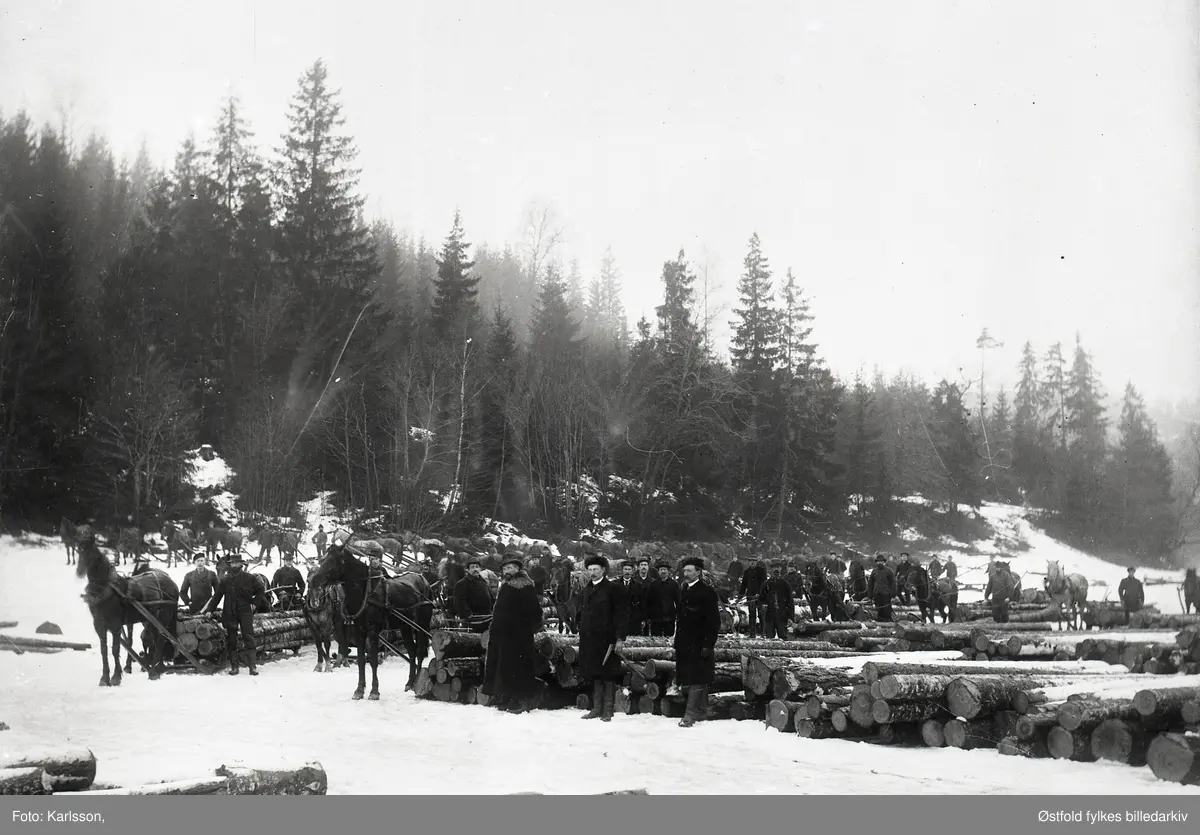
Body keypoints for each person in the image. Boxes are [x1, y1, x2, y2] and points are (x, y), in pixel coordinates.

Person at [481, 554, 544, 713]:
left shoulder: (524, 585)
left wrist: (528, 628)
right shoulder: (507, 584)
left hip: (518, 634)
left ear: (518, 569)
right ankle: (507, 697)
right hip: (502, 633)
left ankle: (521, 700)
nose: (508, 570)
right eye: (506, 568)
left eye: (512, 567)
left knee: (519, 666)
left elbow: (534, 610)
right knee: (505, 665)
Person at [577, 555, 629, 722]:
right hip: (590, 640)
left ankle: (607, 710)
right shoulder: (586, 590)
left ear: (603, 571)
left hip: (608, 640)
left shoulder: (613, 589)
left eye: (595, 570)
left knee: (608, 675)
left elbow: (621, 614)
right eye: (590, 570)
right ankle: (596, 709)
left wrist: (620, 638)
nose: (592, 573)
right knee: (595, 673)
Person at [674, 555, 720, 728]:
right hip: (685, 642)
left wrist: (708, 644)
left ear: (698, 572)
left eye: (689, 571)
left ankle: (690, 714)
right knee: (691, 676)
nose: (685, 573)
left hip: (700, 643)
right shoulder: (683, 589)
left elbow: (714, 621)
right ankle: (701, 710)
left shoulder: (707, 592)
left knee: (697, 677)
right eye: (684, 570)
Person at [204, 554, 265, 676]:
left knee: (248, 637)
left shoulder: (249, 577)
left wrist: (255, 603)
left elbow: (260, 589)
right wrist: (210, 609)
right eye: (232, 563)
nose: (234, 565)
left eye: (237, 563)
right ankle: (234, 666)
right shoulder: (225, 580)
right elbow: (217, 596)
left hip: (245, 611)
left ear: (241, 564)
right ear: (230, 564)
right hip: (229, 612)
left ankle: (252, 666)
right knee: (232, 639)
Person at [454, 556, 495, 633]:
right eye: (472, 567)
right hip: (473, 620)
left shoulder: (483, 582)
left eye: (477, 567)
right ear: (467, 570)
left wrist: (493, 610)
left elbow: (491, 597)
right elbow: (460, 601)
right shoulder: (462, 583)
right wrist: (468, 614)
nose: (475, 569)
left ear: (480, 569)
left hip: (486, 618)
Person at [645, 559, 680, 637]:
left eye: (665, 569)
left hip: (670, 618)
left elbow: (678, 601)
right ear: (658, 571)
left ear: (668, 571)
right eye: (661, 570)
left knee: (669, 639)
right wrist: (648, 617)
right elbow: (648, 601)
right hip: (656, 619)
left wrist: (678, 615)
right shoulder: (653, 585)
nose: (663, 571)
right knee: (656, 639)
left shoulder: (674, 584)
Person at [761, 563, 795, 639]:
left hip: (782, 616)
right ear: (771, 570)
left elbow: (790, 601)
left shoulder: (785, 584)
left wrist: (791, 617)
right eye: (774, 567)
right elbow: (761, 599)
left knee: (783, 637)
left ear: (781, 569)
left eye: (778, 567)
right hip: (769, 615)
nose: (776, 569)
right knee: (769, 637)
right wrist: (763, 605)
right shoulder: (766, 584)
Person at [738, 557, 769, 637]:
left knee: (761, 614)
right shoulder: (746, 572)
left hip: (760, 596)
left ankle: (763, 633)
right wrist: (740, 595)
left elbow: (764, 583)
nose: (752, 563)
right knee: (752, 615)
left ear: (756, 562)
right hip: (750, 596)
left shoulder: (761, 571)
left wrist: (760, 593)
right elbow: (744, 584)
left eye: (754, 561)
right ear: (749, 562)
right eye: (751, 561)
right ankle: (752, 634)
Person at [866, 554, 896, 622]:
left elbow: (893, 583)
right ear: (876, 562)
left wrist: (893, 594)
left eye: (881, 561)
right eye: (878, 561)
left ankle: (888, 624)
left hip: (886, 594)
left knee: (887, 610)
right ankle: (881, 625)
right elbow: (870, 584)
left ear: (884, 562)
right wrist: (870, 595)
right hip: (877, 594)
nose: (880, 563)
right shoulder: (874, 571)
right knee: (879, 610)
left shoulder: (889, 571)